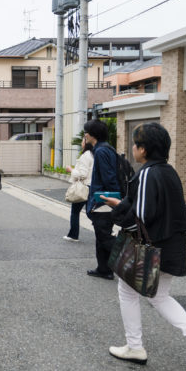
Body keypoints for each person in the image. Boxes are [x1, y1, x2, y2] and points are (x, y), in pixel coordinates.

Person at [101, 122, 186, 371]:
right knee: (160, 296)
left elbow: (142, 216)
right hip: (172, 245)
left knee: (127, 290)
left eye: (135, 144)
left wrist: (119, 209)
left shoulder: (147, 173)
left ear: (143, 149)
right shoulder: (169, 172)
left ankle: (135, 347)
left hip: (151, 248)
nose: (133, 148)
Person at [83, 119, 120, 279]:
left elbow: (109, 178)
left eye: (86, 132)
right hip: (104, 200)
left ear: (93, 134)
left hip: (104, 201)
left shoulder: (101, 151)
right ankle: (104, 269)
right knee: (100, 236)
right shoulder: (105, 149)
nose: (85, 135)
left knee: (104, 236)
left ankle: (133, 260)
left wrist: (109, 200)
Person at [64, 135, 93, 241]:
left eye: (82, 141)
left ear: (86, 143)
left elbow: (82, 174)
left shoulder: (85, 155)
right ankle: (108, 230)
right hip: (91, 186)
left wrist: (71, 170)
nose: (81, 143)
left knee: (75, 212)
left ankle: (73, 235)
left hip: (83, 187)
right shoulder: (93, 154)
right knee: (90, 212)